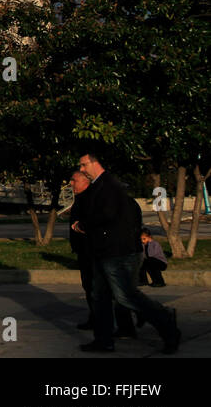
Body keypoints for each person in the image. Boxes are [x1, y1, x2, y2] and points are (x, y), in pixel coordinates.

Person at [74, 152, 180, 354]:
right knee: (100, 296)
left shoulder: (109, 186)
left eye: (83, 165)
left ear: (95, 163)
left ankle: (167, 322)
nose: (81, 169)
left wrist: (83, 225)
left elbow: (107, 215)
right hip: (103, 251)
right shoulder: (101, 185)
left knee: (126, 296)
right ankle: (103, 340)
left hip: (117, 252)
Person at [68, 170, 135, 337]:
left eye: (74, 180)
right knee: (92, 289)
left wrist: (81, 227)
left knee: (116, 293)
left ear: (86, 182)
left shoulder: (99, 201)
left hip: (104, 252)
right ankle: (98, 322)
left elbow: (102, 224)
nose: (70, 184)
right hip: (86, 251)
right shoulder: (82, 200)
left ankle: (128, 325)